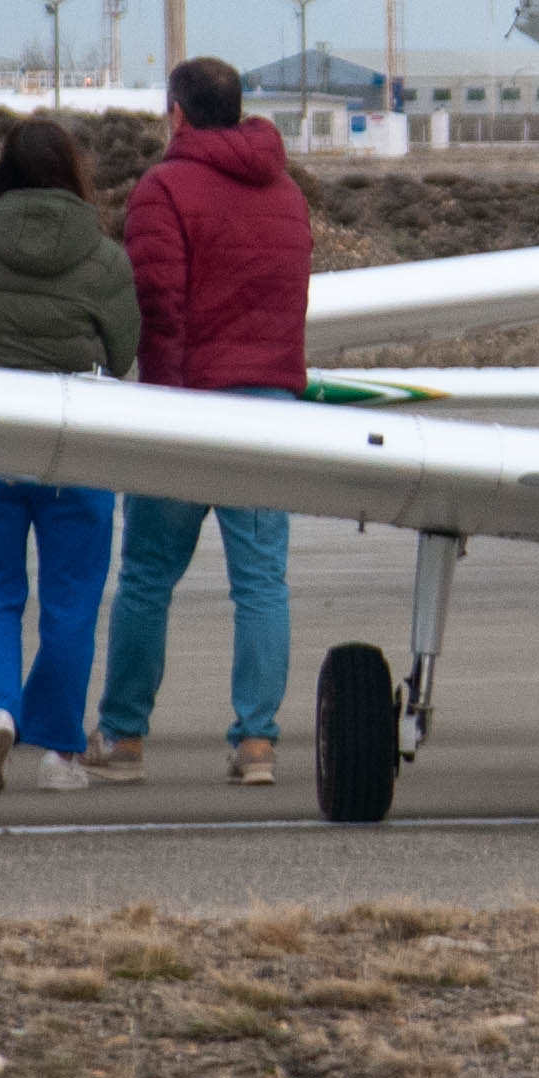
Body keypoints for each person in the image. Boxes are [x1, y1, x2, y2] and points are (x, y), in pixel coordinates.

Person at [97, 61, 311, 786]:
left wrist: (163, 409)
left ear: (178, 115)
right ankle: (257, 744)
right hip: (270, 408)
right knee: (261, 583)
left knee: (147, 577)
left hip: (187, 404)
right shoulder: (285, 192)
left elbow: (161, 310)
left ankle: (123, 738)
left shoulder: (164, 189)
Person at [0, 118, 137, 793]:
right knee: (72, 602)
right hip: (75, 446)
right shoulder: (106, 260)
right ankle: (60, 750)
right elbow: (120, 353)